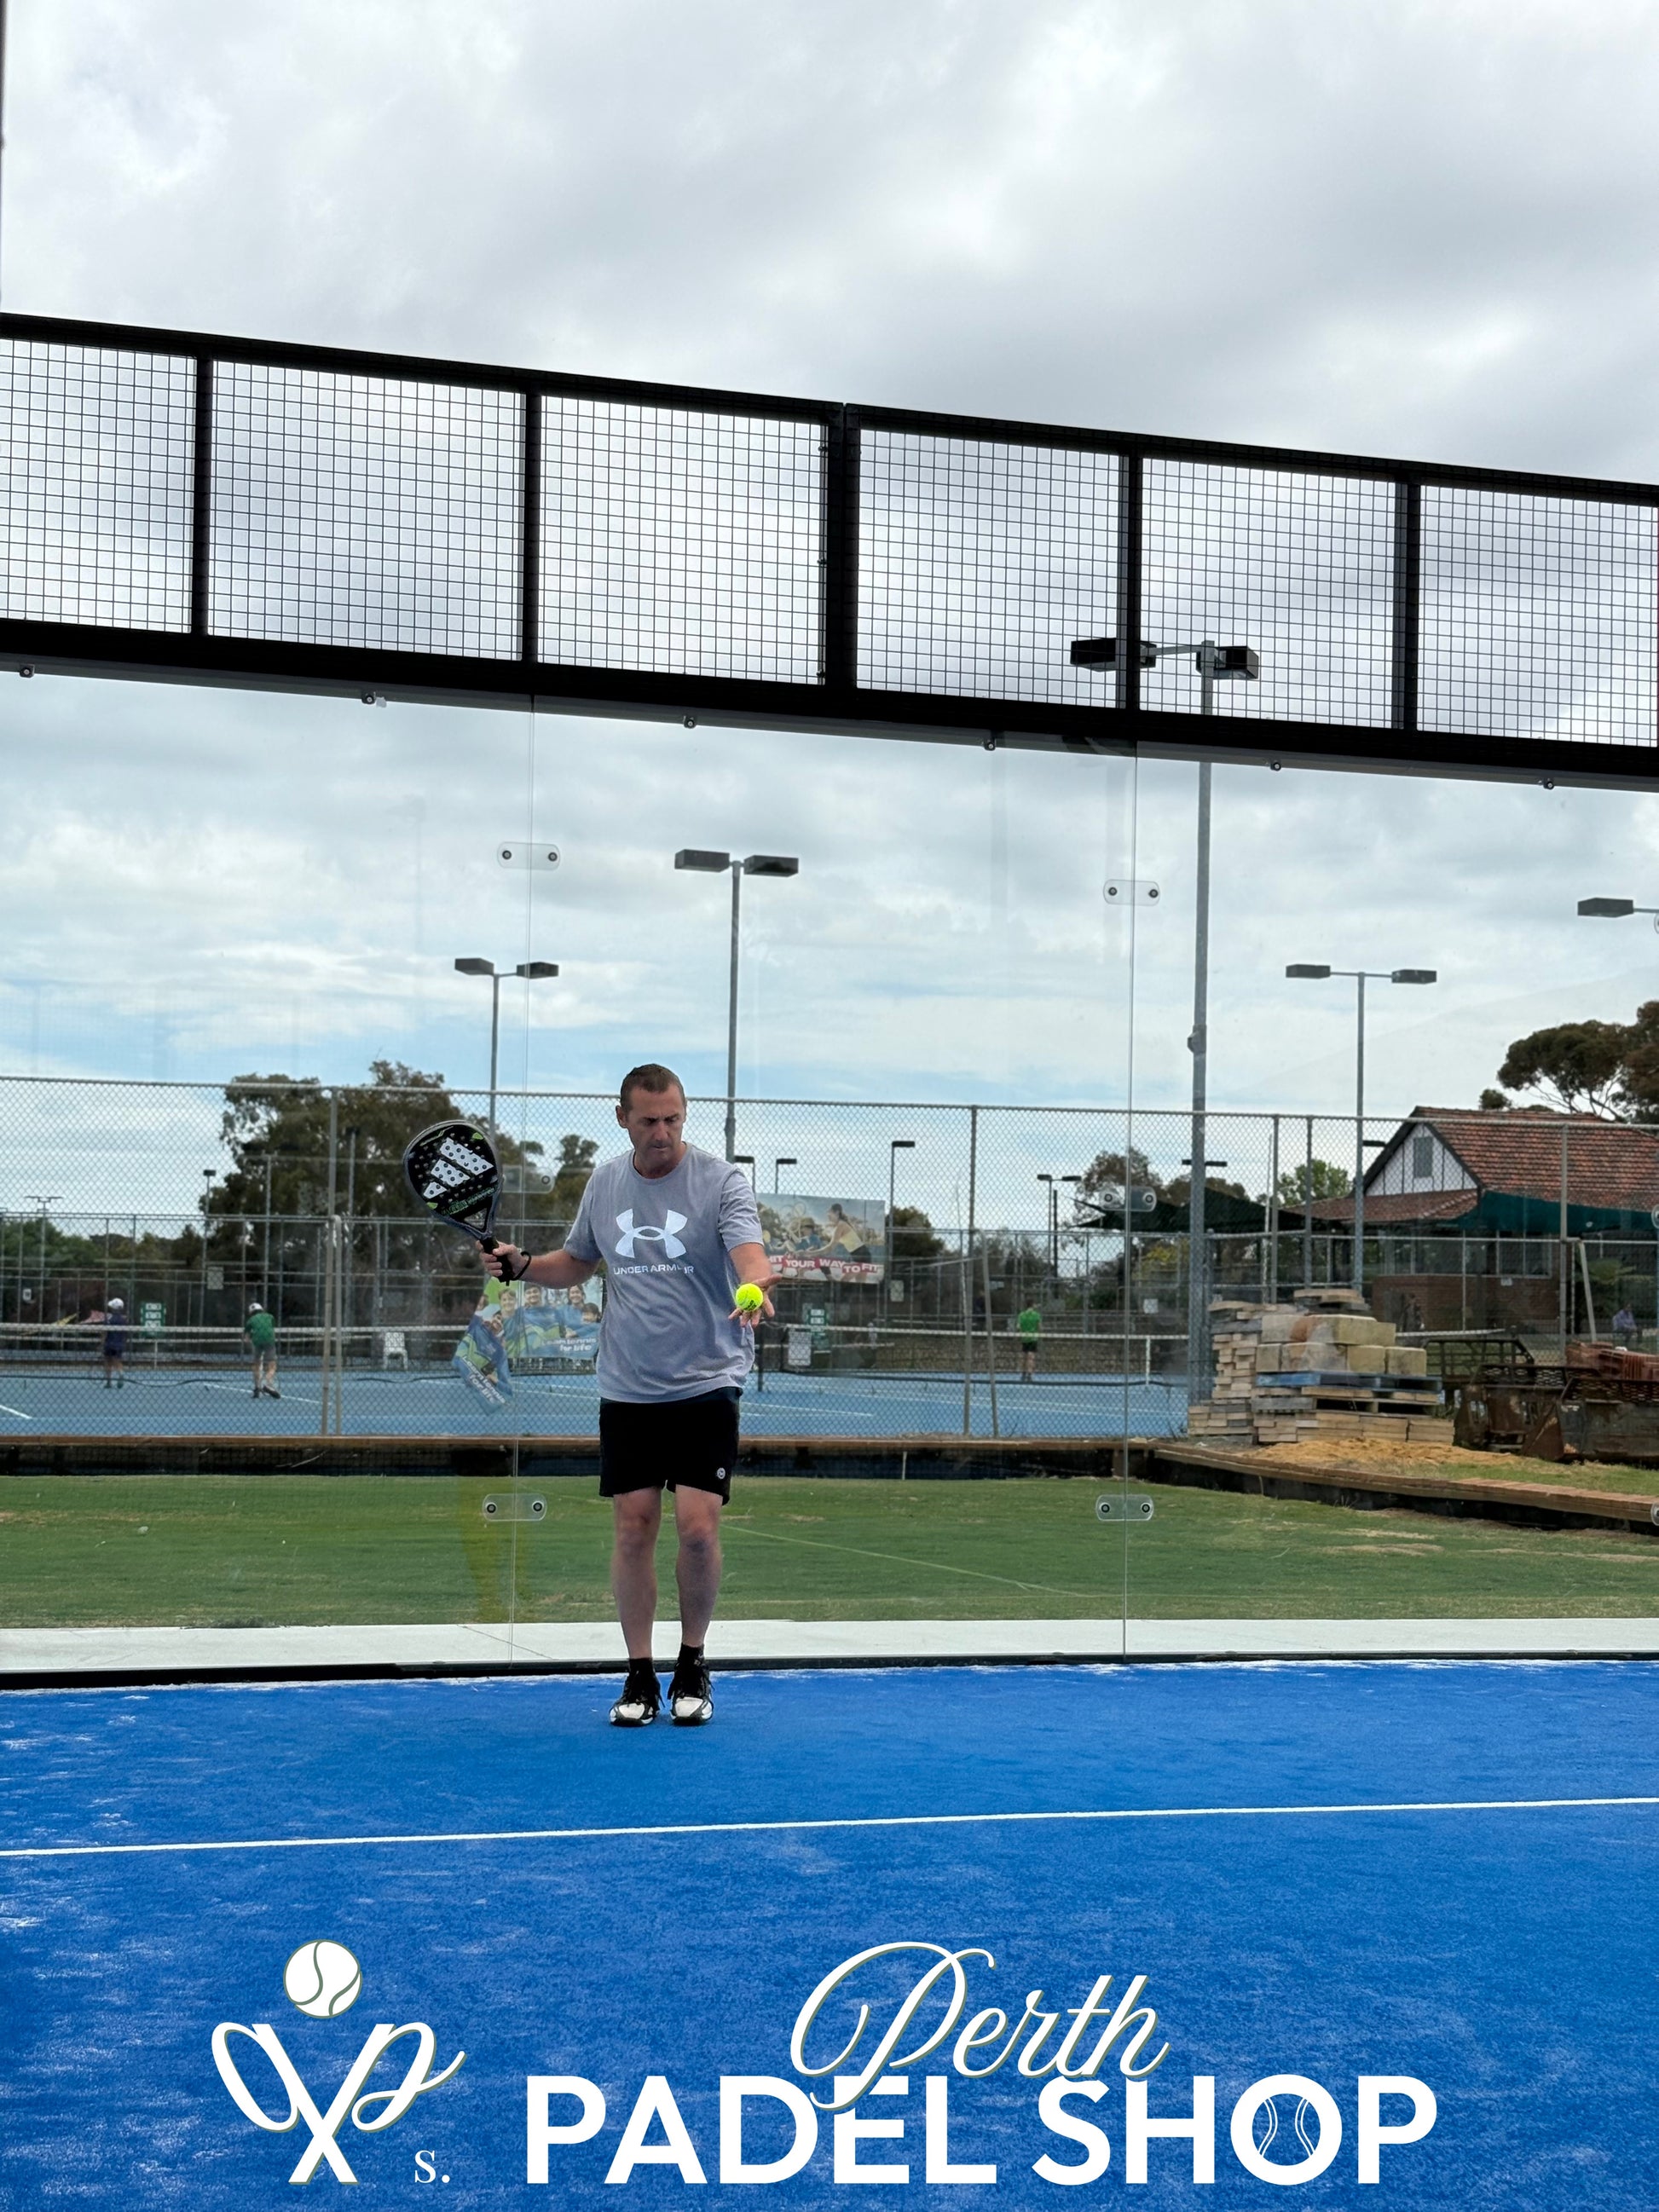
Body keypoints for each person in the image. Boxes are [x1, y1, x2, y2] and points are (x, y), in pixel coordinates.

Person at [484, 1063, 771, 1730]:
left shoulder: (722, 1181)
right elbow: (578, 1261)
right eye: (649, 1120)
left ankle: (692, 1663)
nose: (662, 1132)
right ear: (623, 1119)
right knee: (634, 1526)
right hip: (629, 1386)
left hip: (707, 1379)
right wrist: (523, 1265)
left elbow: (751, 1254)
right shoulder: (606, 1182)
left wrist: (756, 1285)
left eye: (673, 1119)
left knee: (697, 1528)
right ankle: (639, 1674)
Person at [245, 1302, 280, 1397]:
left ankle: (257, 1387)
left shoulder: (251, 1320)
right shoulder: (270, 1317)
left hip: (257, 1342)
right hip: (269, 1340)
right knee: (272, 1365)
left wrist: (253, 1336)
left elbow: (247, 1338)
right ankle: (267, 1383)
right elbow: (271, 1329)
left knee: (256, 1364)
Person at [101, 1297, 127, 1389]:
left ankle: (109, 1382)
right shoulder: (123, 1320)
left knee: (108, 1362)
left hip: (109, 1344)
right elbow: (125, 1334)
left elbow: (104, 1332)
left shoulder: (109, 1319)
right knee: (118, 1361)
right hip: (119, 1344)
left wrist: (102, 1343)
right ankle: (121, 1374)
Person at [1018, 1301, 1042, 1381]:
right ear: (1033, 1305)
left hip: (1024, 1337)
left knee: (1024, 1356)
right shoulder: (1036, 1315)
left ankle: (1023, 1373)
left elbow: (1018, 1327)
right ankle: (1029, 1374)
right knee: (1031, 1356)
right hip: (1033, 1338)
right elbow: (1039, 1327)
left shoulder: (1021, 1315)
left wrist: (1023, 1332)